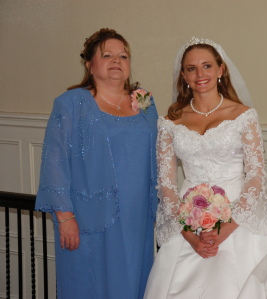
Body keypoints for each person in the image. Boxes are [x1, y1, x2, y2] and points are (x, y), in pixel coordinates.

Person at [144, 37, 267, 299]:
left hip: (238, 217)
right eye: (191, 68)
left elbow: (256, 176)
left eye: (207, 66)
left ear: (221, 70)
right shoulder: (169, 122)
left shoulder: (244, 116)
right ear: (184, 76)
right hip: (189, 219)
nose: (200, 74)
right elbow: (166, 185)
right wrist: (189, 233)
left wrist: (227, 227)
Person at [35, 28, 158, 299]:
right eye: (107, 55)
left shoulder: (145, 101)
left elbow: (159, 153)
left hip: (137, 217)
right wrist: (65, 217)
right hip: (87, 217)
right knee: (89, 285)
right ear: (90, 64)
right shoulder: (71, 103)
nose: (117, 60)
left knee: (133, 281)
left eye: (123, 55)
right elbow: (54, 161)